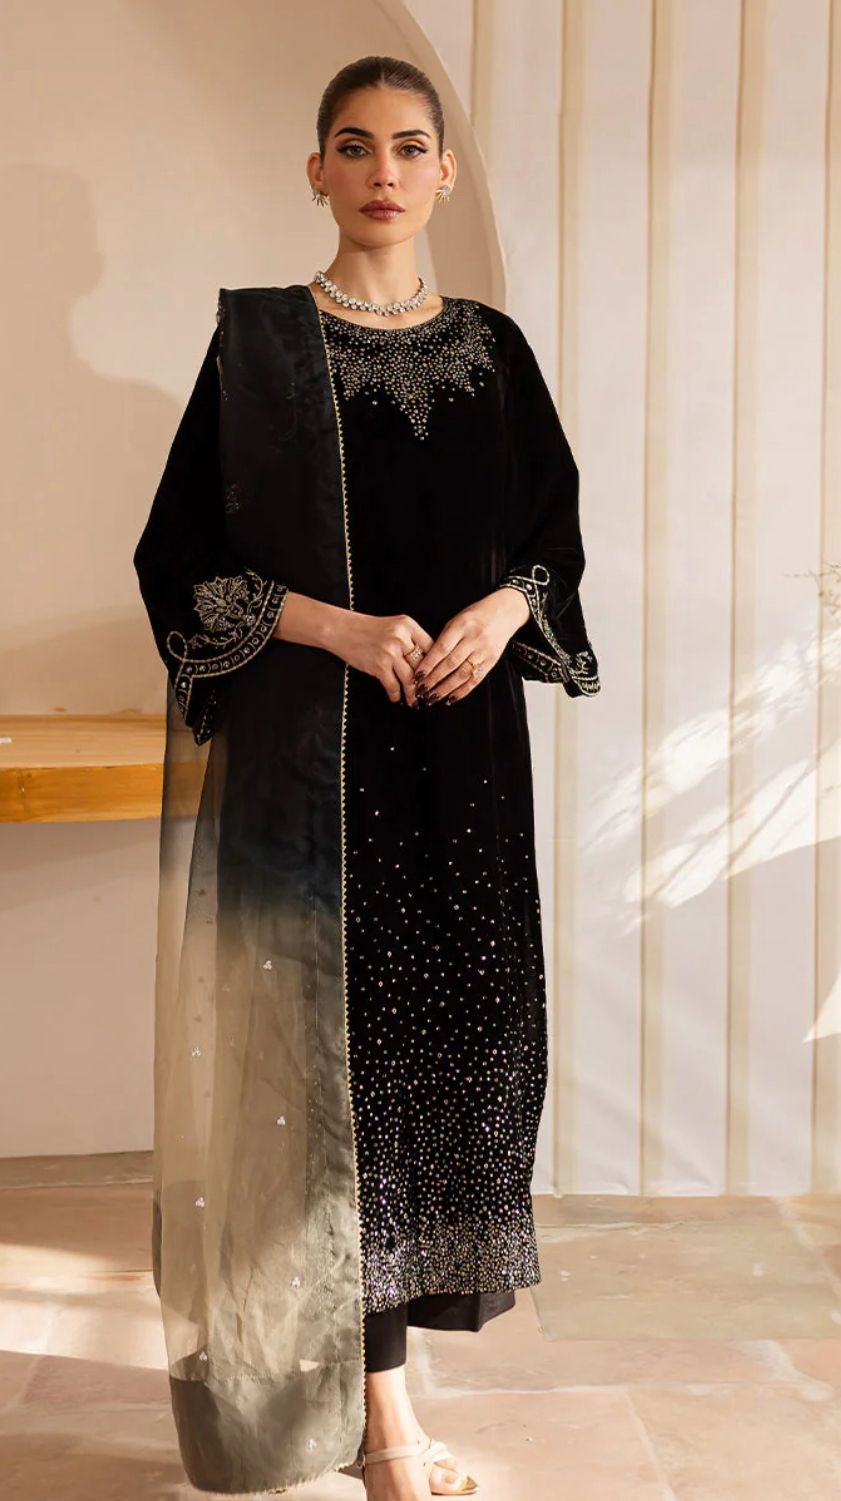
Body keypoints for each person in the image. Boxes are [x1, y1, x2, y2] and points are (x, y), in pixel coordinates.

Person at [133, 52, 600, 1501]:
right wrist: (335, 626)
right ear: (316, 171)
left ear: (444, 172)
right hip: (313, 776)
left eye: (408, 146)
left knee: (447, 1063)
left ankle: (374, 1387)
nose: (382, 171)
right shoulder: (261, 354)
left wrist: (503, 612)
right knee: (322, 1082)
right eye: (354, 145)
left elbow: (553, 539)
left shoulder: (495, 352)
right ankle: (381, 1423)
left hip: (460, 771)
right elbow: (178, 560)